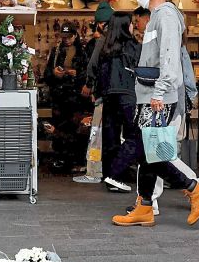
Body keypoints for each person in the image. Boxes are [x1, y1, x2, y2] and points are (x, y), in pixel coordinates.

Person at [112, 0, 199, 227]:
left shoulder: (166, 15)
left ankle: (194, 189)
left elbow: (169, 56)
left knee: (149, 151)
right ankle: (145, 205)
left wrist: (159, 92)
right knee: (148, 150)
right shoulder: (158, 16)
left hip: (157, 97)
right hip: (151, 95)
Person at [91, 12, 139, 192]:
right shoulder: (133, 47)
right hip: (128, 95)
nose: (134, 26)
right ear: (125, 26)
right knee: (133, 136)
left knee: (110, 137)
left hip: (109, 96)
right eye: (131, 23)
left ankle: (110, 175)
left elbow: (96, 70)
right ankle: (118, 173)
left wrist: (98, 92)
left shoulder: (106, 47)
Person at [44, 22, 88, 172]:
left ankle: (75, 160)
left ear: (75, 35)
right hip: (59, 97)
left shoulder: (83, 52)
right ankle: (60, 159)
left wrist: (77, 74)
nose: (66, 40)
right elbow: (46, 75)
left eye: (69, 37)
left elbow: (89, 74)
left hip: (76, 98)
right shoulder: (56, 51)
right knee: (58, 128)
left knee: (75, 129)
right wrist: (54, 73)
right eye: (64, 37)